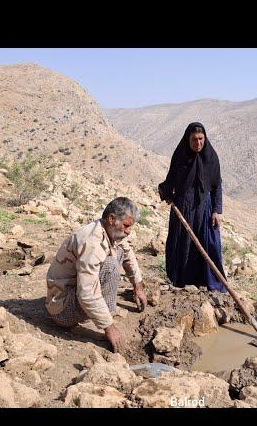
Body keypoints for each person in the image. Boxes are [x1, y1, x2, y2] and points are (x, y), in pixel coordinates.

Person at [45, 197, 147, 353]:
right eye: (126, 226)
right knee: (110, 266)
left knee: (118, 253)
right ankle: (98, 320)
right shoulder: (92, 242)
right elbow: (86, 293)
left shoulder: (108, 230)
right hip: (63, 309)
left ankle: (102, 314)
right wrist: (109, 327)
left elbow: (127, 254)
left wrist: (138, 286)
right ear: (112, 219)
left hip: (73, 294)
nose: (128, 231)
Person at [158, 122, 228, 295]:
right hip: (183, 208)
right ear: (187, 139)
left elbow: (217, 186)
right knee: (183, 244)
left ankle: (208, 282)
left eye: (201, 139)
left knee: (208, 245)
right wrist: (168, 195)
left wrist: (217, 210)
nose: (198, 143)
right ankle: (181, 280)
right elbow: (171, 179)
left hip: (205, 209)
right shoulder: (180, 156)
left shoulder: (211, 157)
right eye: (194, 139)